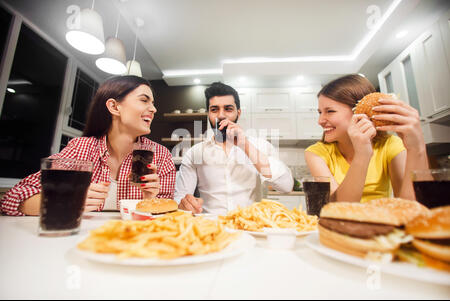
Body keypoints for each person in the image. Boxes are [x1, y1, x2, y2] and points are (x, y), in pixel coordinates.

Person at [1, 75, 176, 216]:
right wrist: (68, 201)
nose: (153, 109)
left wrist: (150, 200)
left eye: (153, 103)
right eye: (144, 100)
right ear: (114, 107)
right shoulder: (81, 149)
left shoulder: (160, 156)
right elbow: (13, 198)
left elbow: (169, 215)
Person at [305, 74, 428, 203]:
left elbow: (411, 207)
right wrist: (362, 154)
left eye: (330, 111)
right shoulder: (316, 153)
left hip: (382, 221)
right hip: (340, 222)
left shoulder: (391, 145)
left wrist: (416, 148)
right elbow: (336, 209)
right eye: (320, 112)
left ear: (359, 112)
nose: (320, 121)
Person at [175, 82, 293, 214]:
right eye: (214, 109)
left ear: (239, 113)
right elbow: (180, 199)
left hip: (251, 228)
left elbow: (286, 186)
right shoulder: (194, 153)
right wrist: (185, 205)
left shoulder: (261, 146)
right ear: (208, 114)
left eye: (228, 109)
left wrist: (245, 145)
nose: (221, 115)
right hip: (212, 228)